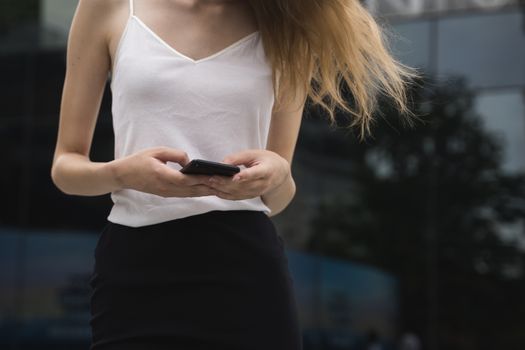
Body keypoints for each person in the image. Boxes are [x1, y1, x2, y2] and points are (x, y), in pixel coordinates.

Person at [50, 0, 419, 349]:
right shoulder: (109, 6)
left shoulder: (285, 24)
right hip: (134, 265)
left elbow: (279, 196)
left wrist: (276, 174)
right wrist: (124, 174)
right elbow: (66, 167)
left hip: (245, 265)